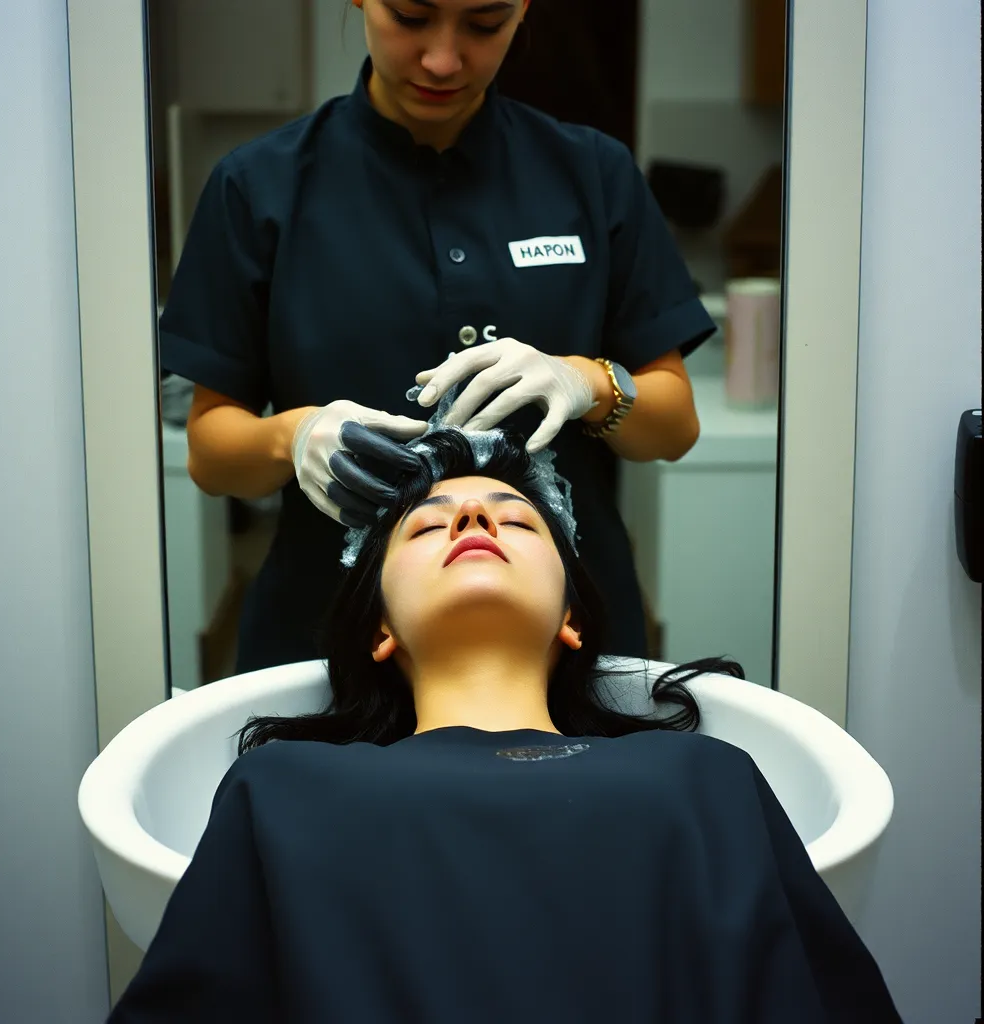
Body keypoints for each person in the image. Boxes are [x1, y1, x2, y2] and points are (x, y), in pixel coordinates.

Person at [108, 430, 904, 1023]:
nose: (474, 521)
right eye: (426, 526)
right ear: (379, 627)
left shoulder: (705, 778)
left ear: (570, 618)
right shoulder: (279, 792)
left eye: (517, 521)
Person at [159, 0, 716, 673]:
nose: (444, 60)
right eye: (411, 16)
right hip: (331, 633)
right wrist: (295, 435)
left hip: (558, 639)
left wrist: (588, 382)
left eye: (485, 24)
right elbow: (211, 455)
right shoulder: (258, 188)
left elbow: (674, 426)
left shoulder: (594, 175)